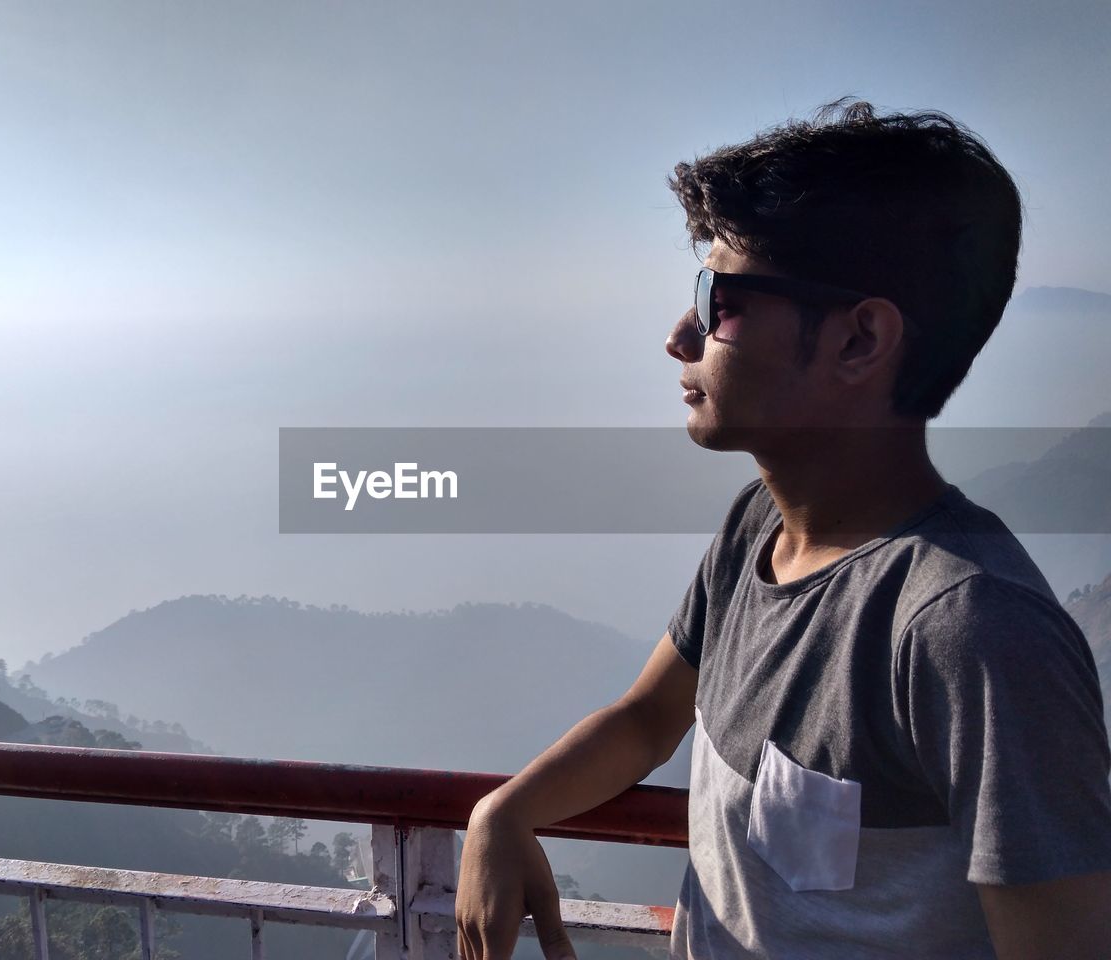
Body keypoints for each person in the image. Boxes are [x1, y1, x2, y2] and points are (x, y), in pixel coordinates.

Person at [454, 99, 1111, 960]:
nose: (679, 335)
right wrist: (503, 812)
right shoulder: (760, 527)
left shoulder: (971, 632)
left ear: (859, 341)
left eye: (720, 299)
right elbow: (652, 717)